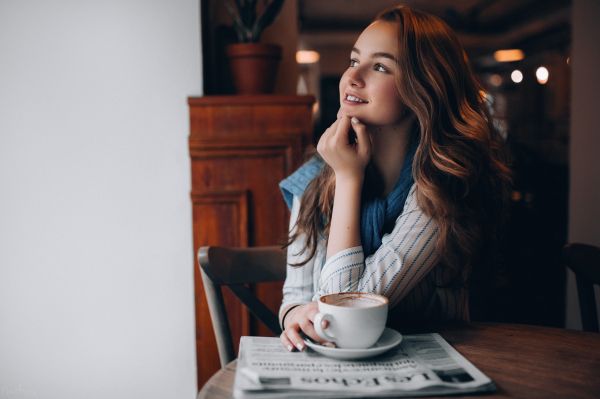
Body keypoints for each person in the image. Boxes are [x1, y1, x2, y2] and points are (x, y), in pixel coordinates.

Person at [278, 4, 511, 352]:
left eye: (381, 67)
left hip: (431, 361)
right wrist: (295, 315)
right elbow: (294, 296)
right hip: (333, 368)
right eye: (354, 61)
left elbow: (347, 316)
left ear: (424, 88)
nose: (353, 78)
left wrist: (348, 178)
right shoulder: (314, 178)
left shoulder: (442, 183)